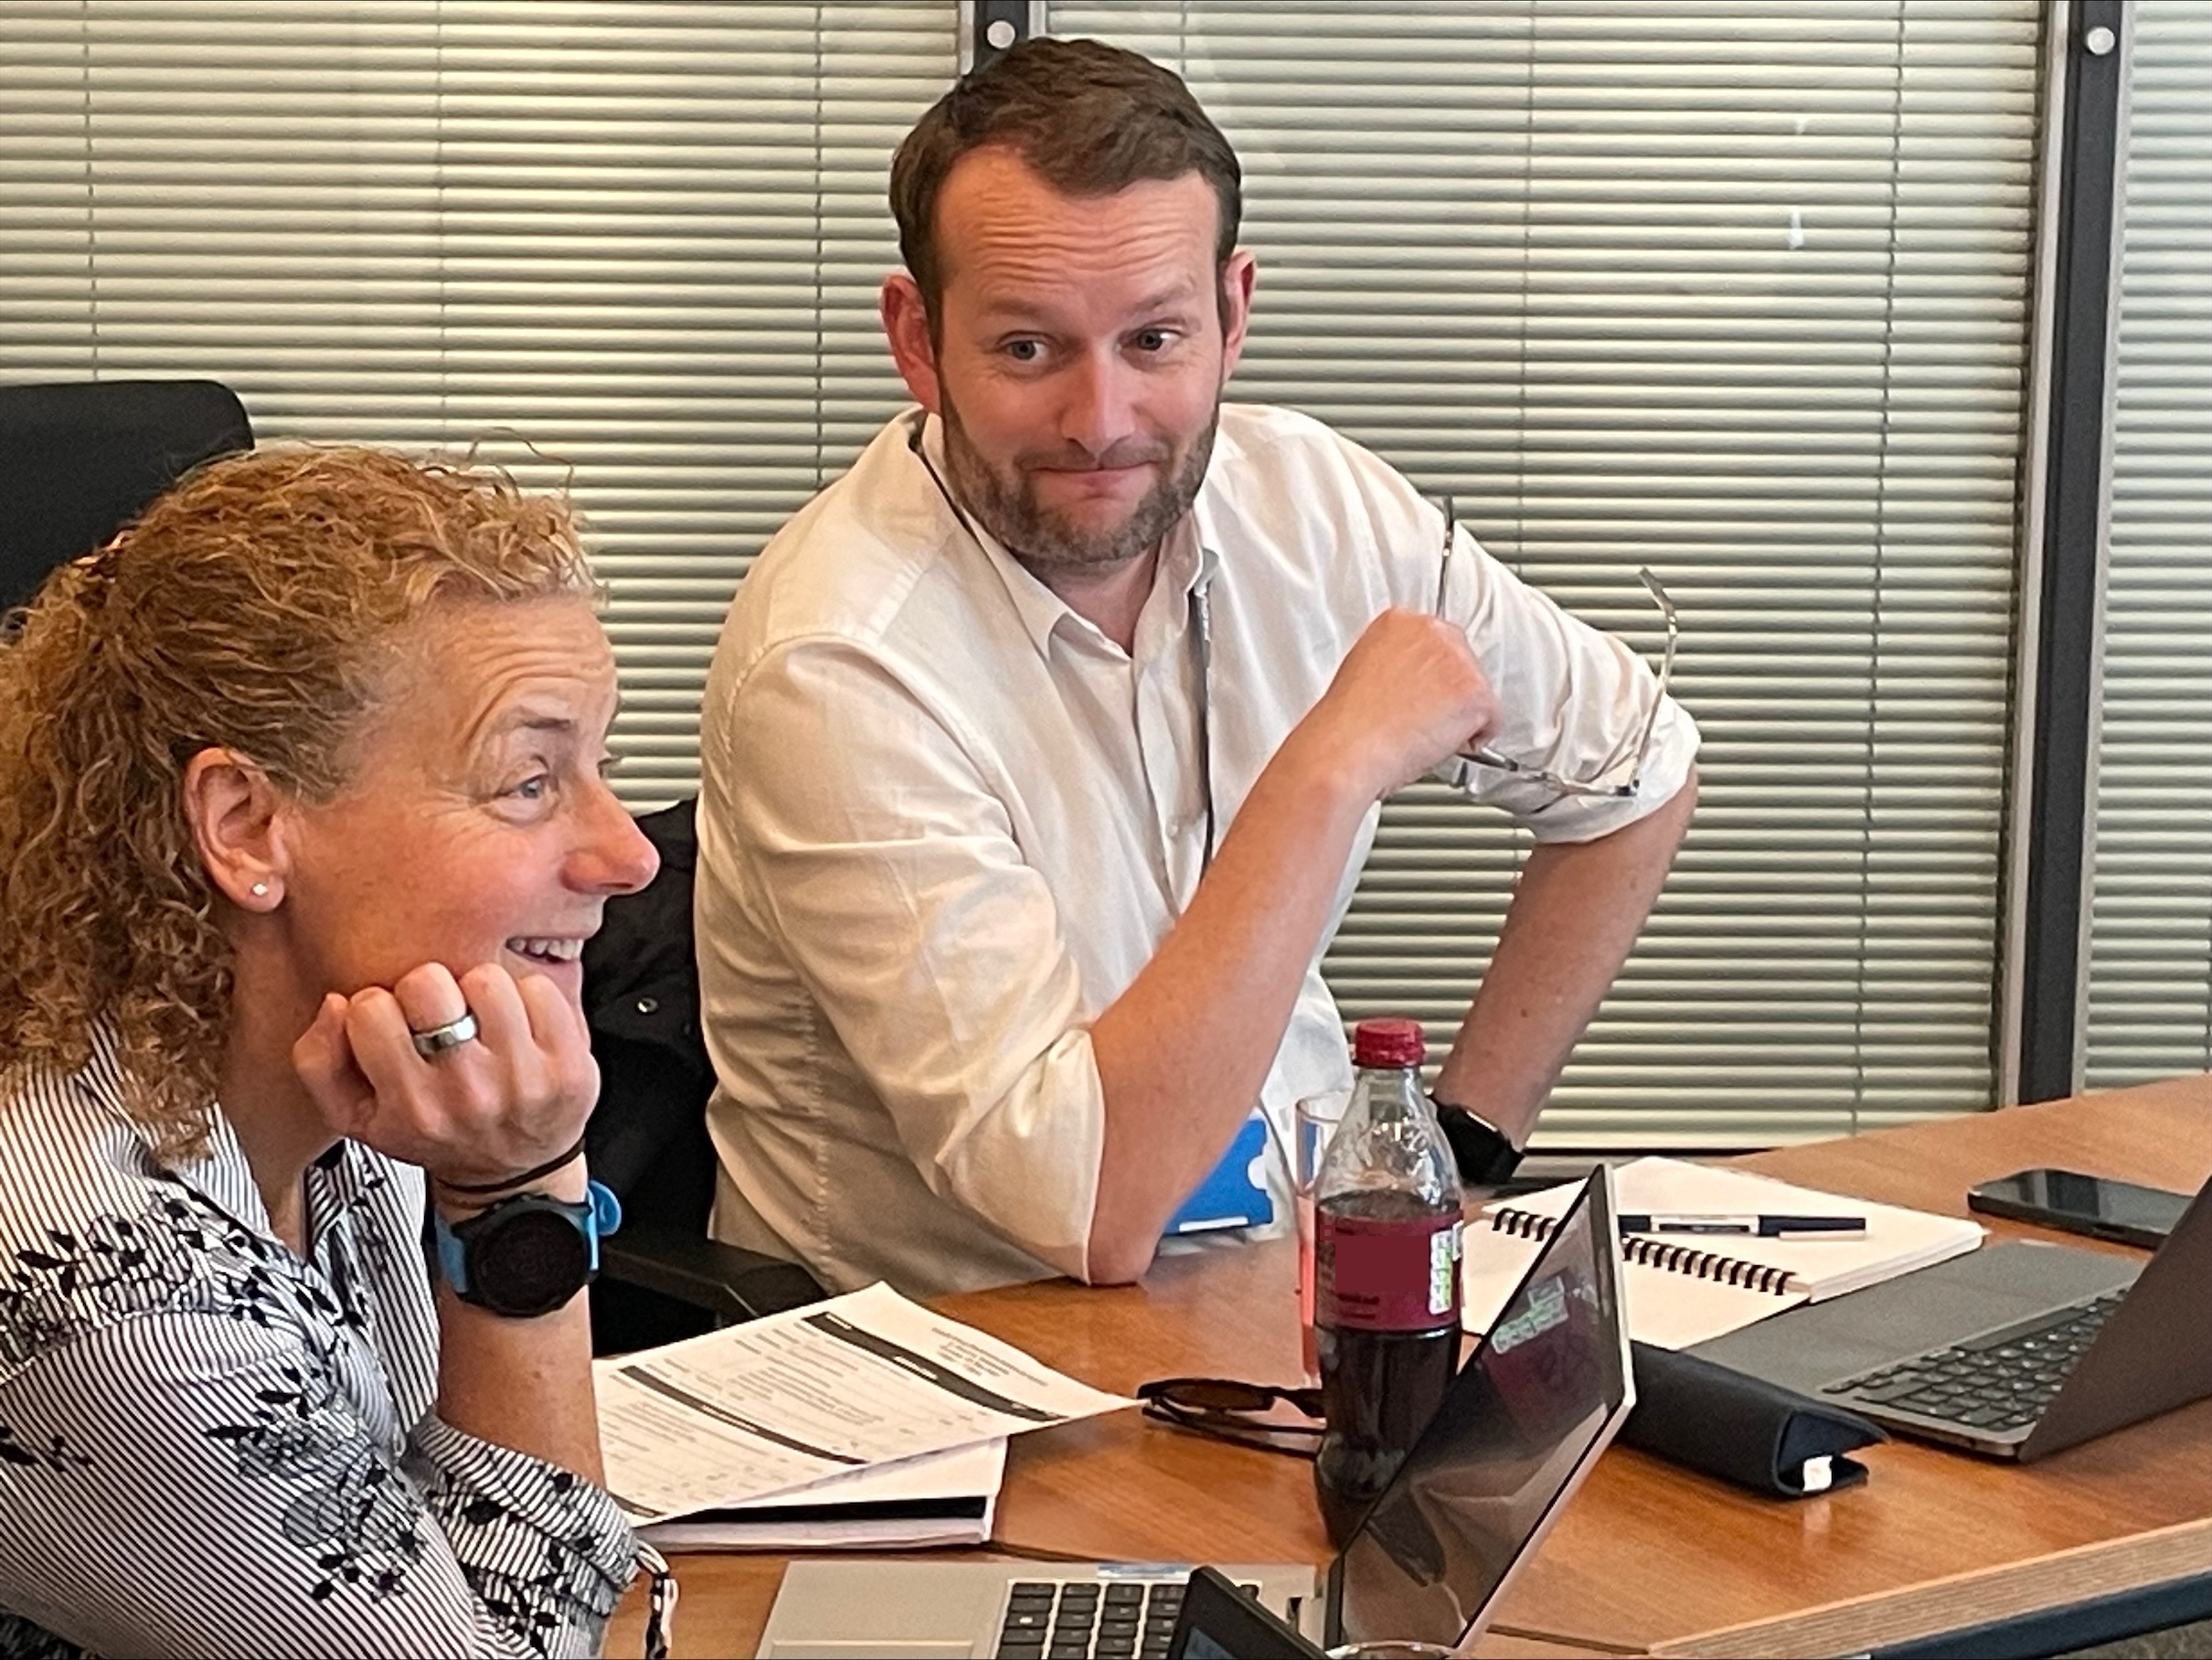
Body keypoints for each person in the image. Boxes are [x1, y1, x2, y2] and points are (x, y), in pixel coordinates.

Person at [694, 37, 1699, 1298]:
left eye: (1154, 339)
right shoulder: (837, 656)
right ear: (917, 337)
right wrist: (1331, 770)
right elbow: (1089, 1208)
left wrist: (1468, 1145)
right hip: (968, 1364)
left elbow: (1638, 771)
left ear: (1233, 316)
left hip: (1292, 1298)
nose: (1101, 420)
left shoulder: (1315, 505)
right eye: (1027, 350)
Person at [0, 447, 666, 1657]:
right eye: (528, 782)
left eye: (598, 765)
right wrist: (517, 1201)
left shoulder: (340, 1071)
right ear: (249, 828)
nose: (629, 856)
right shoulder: (117, 1298)